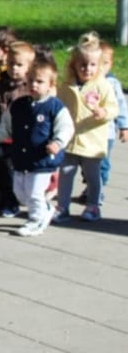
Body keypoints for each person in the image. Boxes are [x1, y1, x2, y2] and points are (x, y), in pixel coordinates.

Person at [0, 58, 74, 236]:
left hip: (43, 159)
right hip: (21, 157)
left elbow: (66, 127)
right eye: (30, 81)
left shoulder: (54, 107)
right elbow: (6, 126)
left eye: (40, 82)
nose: (34, 85)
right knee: (20, 193)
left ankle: (35, 221)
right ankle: (46, 208)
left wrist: (57, 143)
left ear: (51, 85)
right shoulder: (18, 105)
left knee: (34, 193)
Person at [54, 32, 118, 223]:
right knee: (66, 173)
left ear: (99, 66)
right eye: (82, 64)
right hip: (70, 140)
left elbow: (113, 107)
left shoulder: (103, 86)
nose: (87, 69)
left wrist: (103, 112)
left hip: (92, 140)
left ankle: (93, 205)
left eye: (92, 65)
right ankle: (62, 207)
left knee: (92, 176)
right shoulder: (67, 86)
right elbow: (58, 107)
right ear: (74, 64)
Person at [0, 41, 35, 218]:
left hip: (16, 138)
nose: (14, 68)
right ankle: (5, 194)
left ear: (29, 67)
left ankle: (11, 201)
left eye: (19, 65)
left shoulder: (29, 89)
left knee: (10, 171)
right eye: (11, 63)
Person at [97, 41, 128, 197]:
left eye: (106, 63)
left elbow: (121, 106)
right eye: (98, 63)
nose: (101, 67)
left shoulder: (112, 83)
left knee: (102, 163)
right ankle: (91, 188)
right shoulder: (86, 82)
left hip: (106, 133)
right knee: (88, 164)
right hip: (87, 132)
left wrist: (124, 127)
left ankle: (99, 191)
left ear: (111, 64)